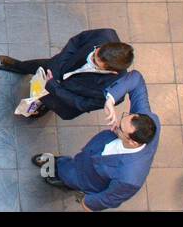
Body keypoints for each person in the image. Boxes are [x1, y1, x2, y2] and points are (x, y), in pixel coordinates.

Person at [32, 69, 159, 211]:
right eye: (123, 118)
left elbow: (108, 198)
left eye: (120, 129)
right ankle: (58, 163)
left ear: (133, 142)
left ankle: (60, 176)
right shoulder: (149, 121)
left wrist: (87, 202)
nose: (116, 124)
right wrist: (110, 100)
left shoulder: (129, 178)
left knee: (68, 175)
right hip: (87, 156)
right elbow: (136, 79)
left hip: (87, 178)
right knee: (72, 162)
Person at [0, 29, 134, 120]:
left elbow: (82, 103)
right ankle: (17, 66)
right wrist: (57, 65)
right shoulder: (104, 35)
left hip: (64, 97)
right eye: (95, 52)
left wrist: (54, 88)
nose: (90, 57)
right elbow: (76, 42)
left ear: (112, 71)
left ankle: (41, 107)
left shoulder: (115, 91)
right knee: (35, 66)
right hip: (58, 68)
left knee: (48, 101)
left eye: (95, 61)